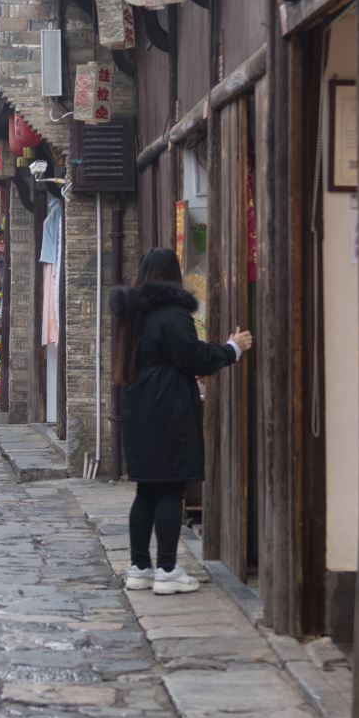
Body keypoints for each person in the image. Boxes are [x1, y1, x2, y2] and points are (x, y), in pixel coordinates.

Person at [108, 247, 251, 595]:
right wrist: (232, 349)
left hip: (136, 405)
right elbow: (192, 358)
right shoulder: (173, 313)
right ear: (174, 275)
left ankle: (140, 567)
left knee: (145, 490)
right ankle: (168, 570)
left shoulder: (131, 313)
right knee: (171, 489)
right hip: (168, 407)